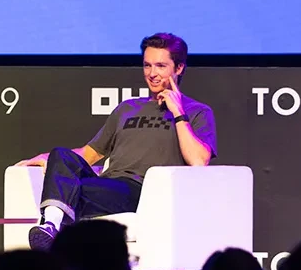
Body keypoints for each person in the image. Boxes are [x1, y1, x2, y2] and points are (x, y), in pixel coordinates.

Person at [19, 33, 216, 252]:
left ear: (178, 68)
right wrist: (49, 159)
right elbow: (89, 154)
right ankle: (50, 227)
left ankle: (51, 227)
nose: (152, 74)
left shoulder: (197, 111)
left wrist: (178, 112)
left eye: (160, 66)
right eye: (147, 65)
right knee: (62, 155)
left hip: (142, 190)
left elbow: (199, 160)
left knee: (72, 191)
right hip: (108, 183)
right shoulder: (127, 108)